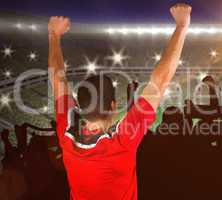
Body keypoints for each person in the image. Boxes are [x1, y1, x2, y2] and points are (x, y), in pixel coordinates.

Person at [48, 3, 191, 200]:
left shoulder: (68, 133)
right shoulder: (120, 141)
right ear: (113, 106)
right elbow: (160, 79)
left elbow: (57, 80)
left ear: (79, 107)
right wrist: (182, 26)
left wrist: (53, 36)